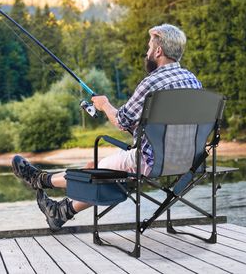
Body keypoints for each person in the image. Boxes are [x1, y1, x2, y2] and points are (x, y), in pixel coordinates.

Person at [12, 23, 202, 231]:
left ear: (158, 51)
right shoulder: (193, 81)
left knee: (97, 171)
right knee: (97, 165)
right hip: (187, 161)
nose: (146, 53)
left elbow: (121, 121)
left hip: (150, 162)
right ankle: (62, 212)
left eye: (149, 48)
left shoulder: (151, 83)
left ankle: (40, 179)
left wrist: (104, 105)